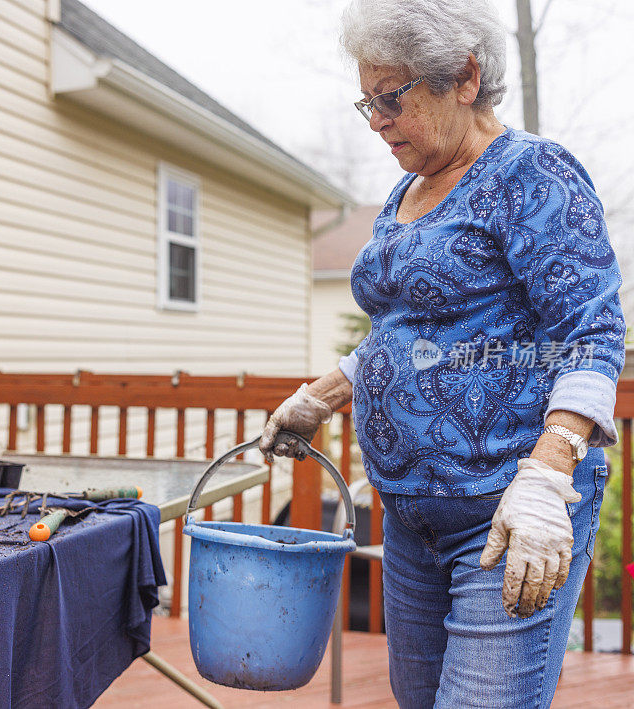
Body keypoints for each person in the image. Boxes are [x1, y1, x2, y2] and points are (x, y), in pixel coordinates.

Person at [259, 0, 627, 706]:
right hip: (409, 522)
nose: (375, 120)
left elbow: (593, 330)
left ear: (463, 76)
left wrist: (548, 478)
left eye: (391, 97)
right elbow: (409, 335)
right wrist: (319, 396)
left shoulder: (532, 173)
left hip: (507, 515)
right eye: (367, 100)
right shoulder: (410, 189)